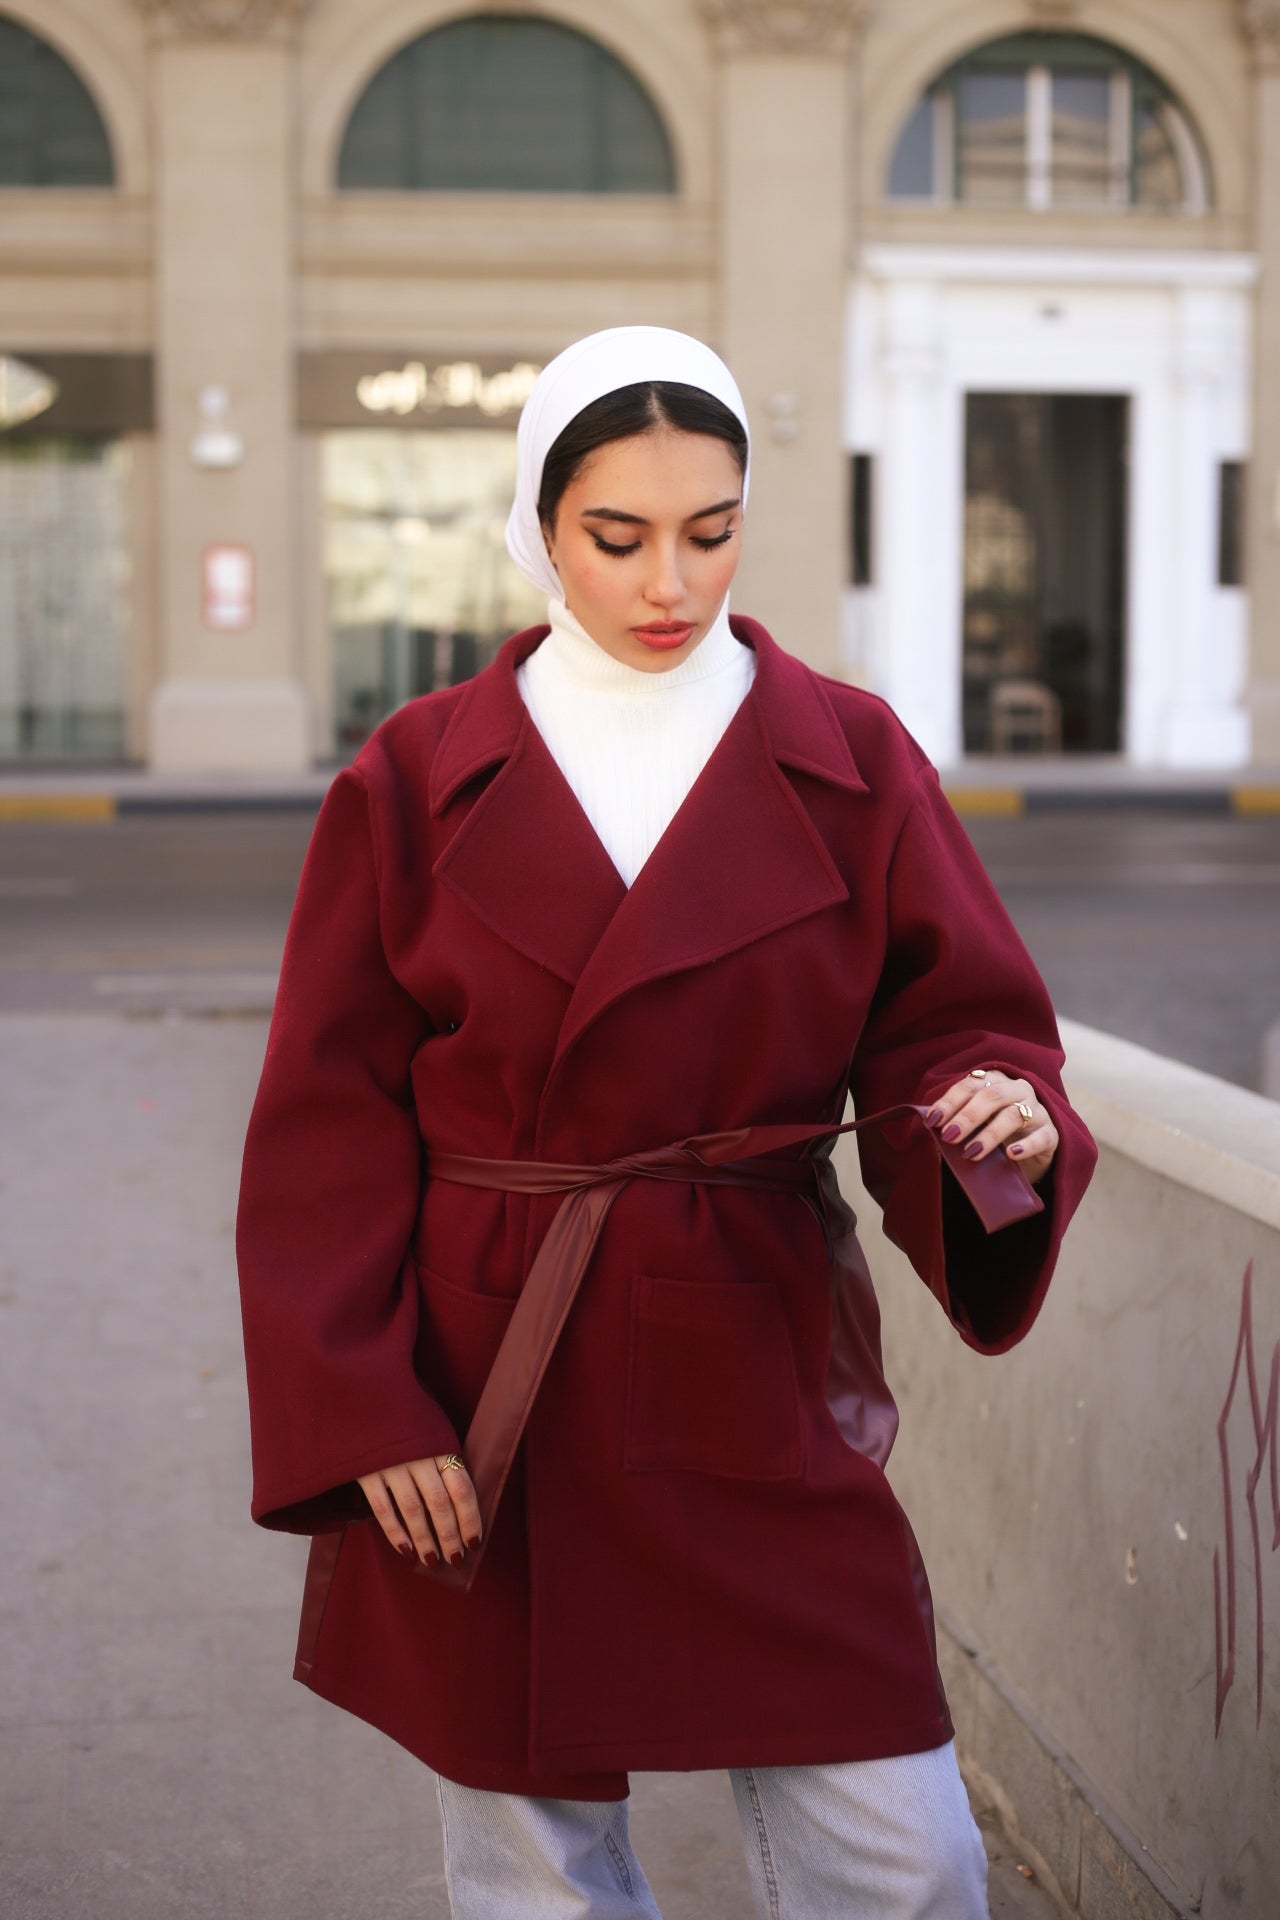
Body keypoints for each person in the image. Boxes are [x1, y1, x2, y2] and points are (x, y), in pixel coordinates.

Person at [236, 326, 1098, 1918]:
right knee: (535, 1872)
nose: (669, 584)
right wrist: (362, 1408)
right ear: (539, 528)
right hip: (491, 1367)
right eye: (616, 538)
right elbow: (323, 1120)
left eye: (710, 534)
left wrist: (998, 1118)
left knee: (905, 1857)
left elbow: (956, 1026)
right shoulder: (418, 777)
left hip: (752, 1348)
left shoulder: (849, 755)